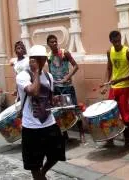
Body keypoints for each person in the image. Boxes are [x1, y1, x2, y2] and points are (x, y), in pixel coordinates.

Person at [16, 45, 65, 180]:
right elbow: (33, 91)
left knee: (57, 155)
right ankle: (40, 176)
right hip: (31, 128)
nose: (41, 62)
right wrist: (36, 72)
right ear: (31, 60)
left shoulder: (49, 76)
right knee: (34, 165)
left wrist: (56, 101)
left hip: (49, 124)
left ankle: (43, 173)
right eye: (37, 59)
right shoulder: (22, 76)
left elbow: (50, 98)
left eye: (43, 59)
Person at [46, 34, 85, 143]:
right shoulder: (48, 56)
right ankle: (65, 134)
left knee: (74, 108)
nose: (54, 43)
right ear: (48, 44)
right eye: (51, 42)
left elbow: (76, 66)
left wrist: (67, 77)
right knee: (60, 112)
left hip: (67, 87)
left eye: (55, 41)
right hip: (56, 87)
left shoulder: (64, 53)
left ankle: (82, 134)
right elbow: (50, 71)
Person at [103, 30, 129, 148]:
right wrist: (106, 84)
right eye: (115, 41)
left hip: (125, 88)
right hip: (114, 88)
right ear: (111, 41)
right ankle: (110, 139)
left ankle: (127, 142)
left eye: (119, 40)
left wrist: (119, 80)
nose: (117, 43)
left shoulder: (128, 52)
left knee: (126, 116)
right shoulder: (109, 51)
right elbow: (109, 68)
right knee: (110, 115)